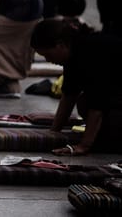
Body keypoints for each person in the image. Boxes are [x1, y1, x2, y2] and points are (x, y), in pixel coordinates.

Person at [30, 17, 122, 155]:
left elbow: (97, 106)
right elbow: (69, 96)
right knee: (83, 102)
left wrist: (84, 146)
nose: (48, 60)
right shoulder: (73, 53)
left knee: (92, 107)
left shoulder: (92, 52)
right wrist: (53, 133)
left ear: (60, 45)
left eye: (48, 55)